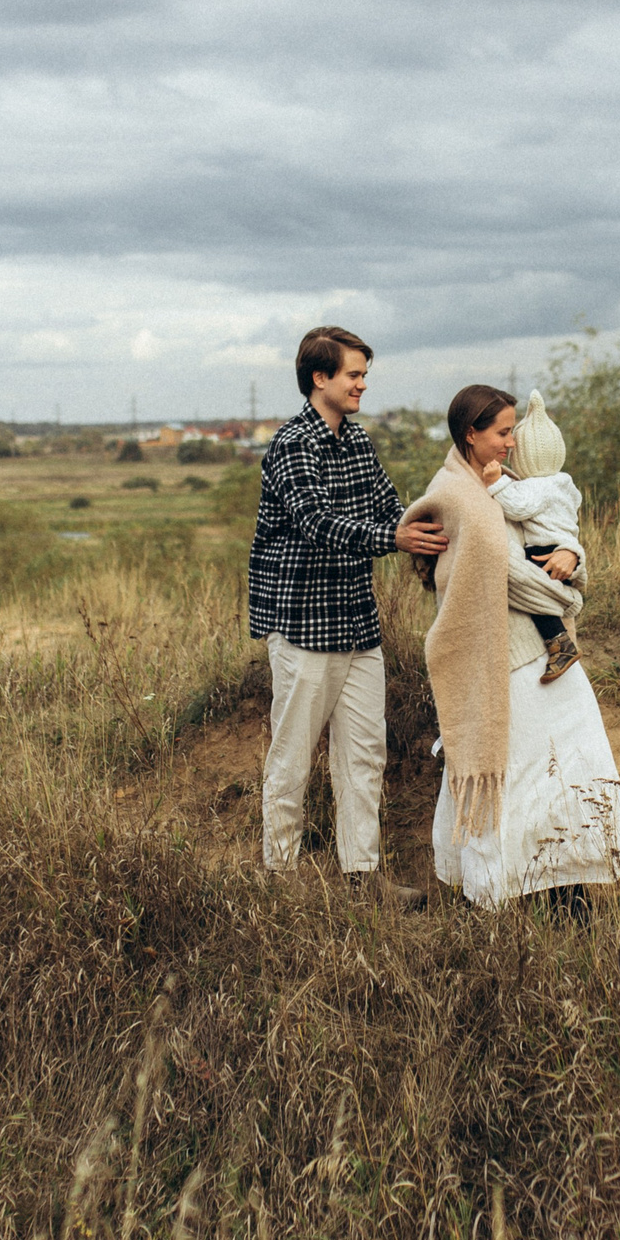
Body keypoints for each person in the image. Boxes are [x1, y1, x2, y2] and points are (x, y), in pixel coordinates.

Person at [401, 385, 620, 910]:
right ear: (471, 433)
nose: (510, 444)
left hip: (537, 650)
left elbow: (554, 538)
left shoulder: (508, 485)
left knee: (572, 762)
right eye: (502, 433)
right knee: (519, 773)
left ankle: (563, 882)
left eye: (513, 433)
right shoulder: (460, 497)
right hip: (503, 657)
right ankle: (503, 888)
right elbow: (505, 577)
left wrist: (573, 556)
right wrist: (567, 591)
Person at [247, 326, 448, 907]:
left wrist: (453, 510)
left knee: (364, 755)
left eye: (363, 374)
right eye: (353, 374)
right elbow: (317, 524)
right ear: (320, 378)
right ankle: (278, 880)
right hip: (305, 625)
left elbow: (393, 508)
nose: (363, 384)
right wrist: (394, 536)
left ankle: (363, 878)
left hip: (357, 625)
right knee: (291, 756)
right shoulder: (292, 446)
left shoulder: (356, 443)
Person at [487, 390, 585, 684]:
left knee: (536, 599)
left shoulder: (537, 487)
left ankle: (560, 643)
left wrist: (497, 484)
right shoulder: (564, 483)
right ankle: (560, 642)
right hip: (563, 547)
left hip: (545, 551)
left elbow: (518, 507)